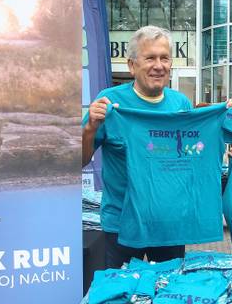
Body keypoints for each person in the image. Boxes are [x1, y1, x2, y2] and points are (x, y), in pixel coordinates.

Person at [82, 26, 193, 268]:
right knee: (121, 289)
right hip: (121, 225)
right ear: (132, 65)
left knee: (168, 288)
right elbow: (78, 161)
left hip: (168, 224)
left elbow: (190, 159)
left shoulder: (181, 104)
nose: (159, 65)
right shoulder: (108, 101)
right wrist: (90, 128)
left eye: (164, 58)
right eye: (150, 58)